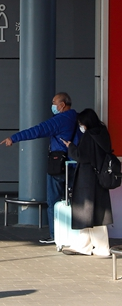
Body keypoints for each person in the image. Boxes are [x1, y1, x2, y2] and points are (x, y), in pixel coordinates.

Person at [0, 92, 79, 243]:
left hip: (59, 166)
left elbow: (37, 130)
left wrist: (14, 138)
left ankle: (55, 236)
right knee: (73, 201)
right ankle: (74, 235)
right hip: (76, 164)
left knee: (54, 201)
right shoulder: (77, 117)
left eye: (54, 103)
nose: (53, 106)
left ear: (62, 105)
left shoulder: (61, 120)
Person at [60, 109, 113, 256]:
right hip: (99, 177)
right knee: (95, 212)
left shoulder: (89, 136)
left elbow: (81, 156)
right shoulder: (102, 133)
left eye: (81, 123)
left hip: (87, 178)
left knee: (88, 211)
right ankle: (85, 245)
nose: (80, 126)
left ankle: (99, 248)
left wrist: (70, 146)